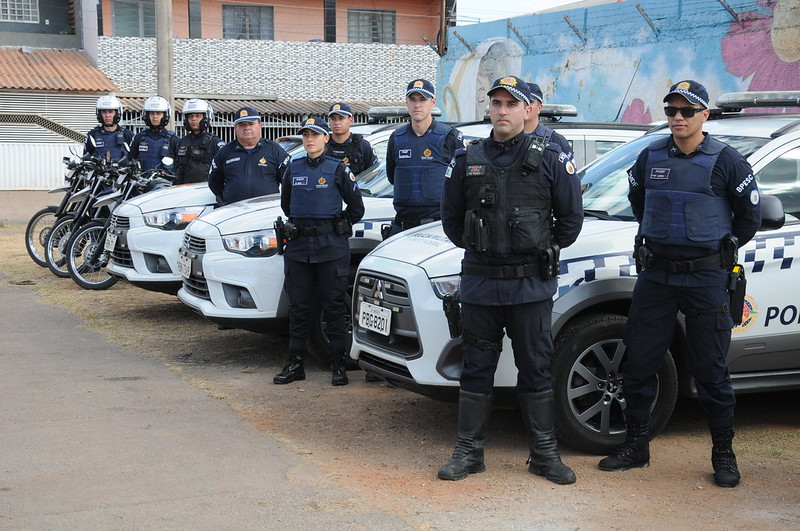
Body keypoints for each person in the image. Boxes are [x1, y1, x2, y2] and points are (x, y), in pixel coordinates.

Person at [598, 80, 761, 488]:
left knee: (710, 368)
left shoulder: (727, 161)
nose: (677, 118)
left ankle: (723, 452)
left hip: (706, 277)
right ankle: (637, 446)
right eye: (672, 110)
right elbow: (640, 203)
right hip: (656, 275)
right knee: (639, 361)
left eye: (687, 111)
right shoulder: (649, 156)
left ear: (705, 115)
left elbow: (749, 218)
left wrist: (717, 250)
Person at [438, 76, 583, 484]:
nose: (502, 110)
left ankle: (544, 454)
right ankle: (468, 453)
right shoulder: (468, 157)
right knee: (476, 367)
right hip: (482, 285)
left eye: (510, 104)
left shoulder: (551, 157)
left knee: (536, 367)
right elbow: (451, 220)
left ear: (527, 110)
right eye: (496, 102)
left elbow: (570, 221)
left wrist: (537, 247)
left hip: (529, 287)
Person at [274, 117, 365, 387]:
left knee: (334, 306)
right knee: (299, 306)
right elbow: (287, 205)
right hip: (299, 247)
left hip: (331, 247)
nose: (309, 140)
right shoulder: (294, 167)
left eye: (315, 135)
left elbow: (357, 208)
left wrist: (337, 225)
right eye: (305, 135)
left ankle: (338, 363)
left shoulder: (337, 169)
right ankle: (295, 363)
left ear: (326, 138)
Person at [385, 78, 463, 237]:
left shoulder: (450, 136)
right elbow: (393, 177)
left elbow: (463, 183)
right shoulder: (396, 138)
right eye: (412, 99)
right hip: (402, 227)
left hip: (438, 227)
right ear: (406, 102)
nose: (417, 104)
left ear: (433, 102)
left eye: (423, 99)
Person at [208, 107, 290, 205]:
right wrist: (226, 198)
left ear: (260, 125)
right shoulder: (225, 152)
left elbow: (288, 180)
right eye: (241, 125)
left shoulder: (274, 150)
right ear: (235, 127)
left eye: (251, 124)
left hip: (266, 210)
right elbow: (215, 182)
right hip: (233, 211)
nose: (246, 128)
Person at [523, 82, 576, 171]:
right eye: (522, 102)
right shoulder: (504, 138)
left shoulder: (556, 141)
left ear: (539, 108)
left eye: (530, 102)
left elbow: (569, 181)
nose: (526, 107)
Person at [174, 98, 225, 185]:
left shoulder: (215, 142)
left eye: (198, 116)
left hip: (203, 190)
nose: (194, 119)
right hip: (182, 190)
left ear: (206, 117)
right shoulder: (181, 142)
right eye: (190, 116)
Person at [326, 102, 379, 176]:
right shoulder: (322, 144)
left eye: (341, 118)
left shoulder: (362, 145)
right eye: (333, 119)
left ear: (350, 120)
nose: (337, 122)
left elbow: (373, 175)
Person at [130, 95, 179, 172]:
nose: (154, 116)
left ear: (165, 115)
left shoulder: (174, 140)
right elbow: (131, 160)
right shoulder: (138, 138)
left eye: (158, 113)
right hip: (142, 181)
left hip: (166, 182)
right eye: (152, 113)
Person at [84, 94, 134, 163]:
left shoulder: (128, 135)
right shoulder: (92, 135)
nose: (107, 115)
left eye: (110, 112)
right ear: (99, 114)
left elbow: (135, 160)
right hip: (99, 173)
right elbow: (86, 160)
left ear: (117, 113)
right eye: (104, 112)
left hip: (121, 173)